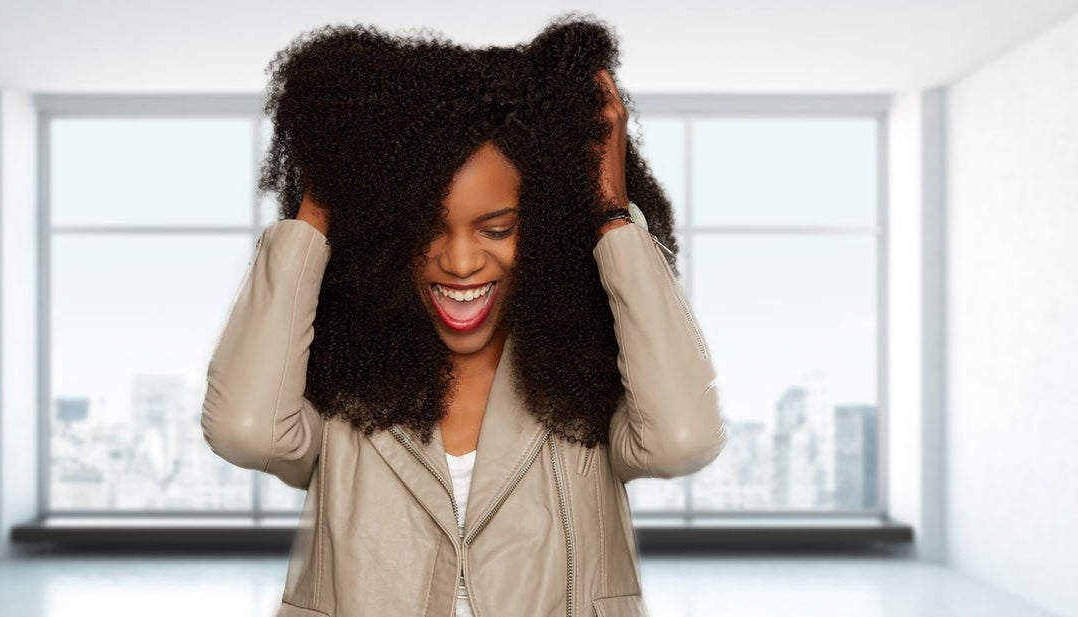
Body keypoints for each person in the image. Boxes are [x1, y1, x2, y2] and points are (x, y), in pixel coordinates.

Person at [201, 14, 726, 617]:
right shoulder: (342, 395)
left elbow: (681, 441)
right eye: (425, 228)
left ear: (551, 229)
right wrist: (321, 202)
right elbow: (246, 428)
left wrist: (609, 212)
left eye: (497, 228)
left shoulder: (590, 392)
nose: (459, 261)